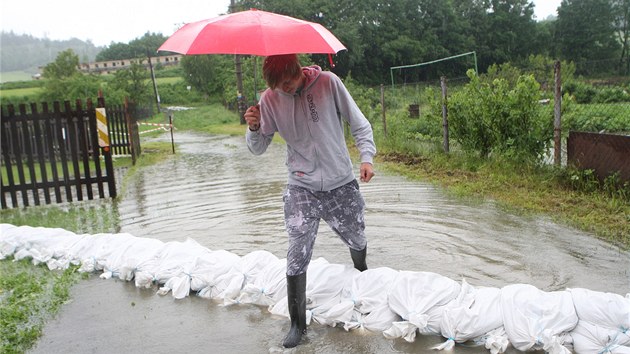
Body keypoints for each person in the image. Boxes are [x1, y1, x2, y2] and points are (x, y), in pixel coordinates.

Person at [244, 54, 376, 348]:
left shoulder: (328, 83)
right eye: (279, 87)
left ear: (297, 71)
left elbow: (359, 123)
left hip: (340, 181)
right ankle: (297, 326)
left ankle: (362, 273)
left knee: (356, 236)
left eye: (289, 83)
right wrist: (253, 128)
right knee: (297, 248)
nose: (286, 90)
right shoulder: (270, 99)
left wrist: (366, 158)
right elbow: (258, 148)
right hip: (301, 184)